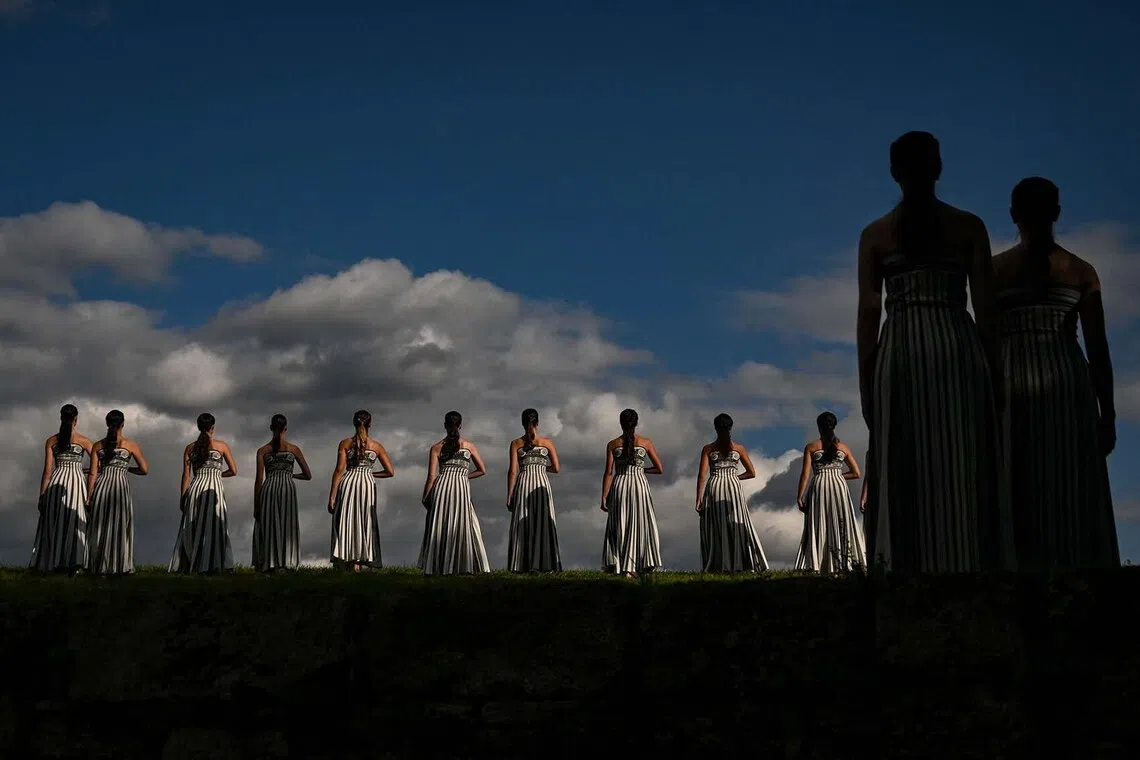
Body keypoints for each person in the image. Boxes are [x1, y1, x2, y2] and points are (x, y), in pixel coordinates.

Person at [856, 130, 1013, 573]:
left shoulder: (875, 235)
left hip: (901, 347)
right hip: (955, 344)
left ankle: (906, 566)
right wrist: (996, 376)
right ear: (939, 168)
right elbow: (986, 311)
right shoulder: (968, 227)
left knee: (904, 461)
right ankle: (966, 560)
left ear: (893, 173)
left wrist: (867, 385)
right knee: (962, 458)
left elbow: (869, 315)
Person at [992, 176, 1119, 569]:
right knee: (1070, 486)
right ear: (1057, 213)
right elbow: (1097, 348)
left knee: (1017, 485)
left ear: (1013, 214)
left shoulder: (994, 271)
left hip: (1011, 379)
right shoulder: (1081, 272)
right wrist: (1107, 413)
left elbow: (984, 338)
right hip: (1066, 379)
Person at [418, 411, 491, 575]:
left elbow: (431, 476)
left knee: (441, 523)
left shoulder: (436, 447)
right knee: (462, 523)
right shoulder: (469, 446)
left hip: (442, 485)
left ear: (445, 425)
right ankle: (464, 565)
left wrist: (426, 496)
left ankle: (439, 566)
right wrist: (464, 476)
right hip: (461, 486)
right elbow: (482, 470)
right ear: (460, 425)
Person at [793, 412, 866, 573]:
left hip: (819, 483)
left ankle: (818, 562)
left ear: (819, 427)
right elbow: (856, 473)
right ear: (834, 426)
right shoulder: (844, 448)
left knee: (819, 520)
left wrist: (800, 495)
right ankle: (844, 561)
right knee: (841, 520)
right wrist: (837, 475)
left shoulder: (811, 447)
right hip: (838, 485)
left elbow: (805, 474)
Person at [694, 413, 767, 573]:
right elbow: (751, 472)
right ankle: (739, 563)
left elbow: (702, 475)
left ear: (715, 428)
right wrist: (734, 477)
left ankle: (720, 564)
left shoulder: (708, 449)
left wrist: (698, 498)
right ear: (731, 427)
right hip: (733, 486)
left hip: (714, 485)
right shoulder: (738, 448)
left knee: (716, 523)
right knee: (736, 520)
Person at [169, 412, 237, 574]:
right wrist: (217, 473)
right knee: (215, 525)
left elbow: (186, 475)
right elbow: (233, 470)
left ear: (198, 427)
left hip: (196, 487)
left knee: (194, 524)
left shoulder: (190, 448)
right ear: (213, 428)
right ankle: (214, 563)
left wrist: (182, 496)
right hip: (214, 486)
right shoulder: (222, 446)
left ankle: (193, 562)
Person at [327, 410, 393, 572]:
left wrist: (332, 496)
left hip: (348, 481)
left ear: (354, 423)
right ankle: (360, 559)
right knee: (365, 519)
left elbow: (339, 470)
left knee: (347, 519)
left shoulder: (344, 444)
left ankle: (347, 558)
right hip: (366, 484)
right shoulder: (376, 446)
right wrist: (371, 473)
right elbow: (390, 471)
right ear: (370, 424)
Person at [600, 408, 664, 577]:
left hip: (620, 484)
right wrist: (642, 470)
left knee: (621, 522)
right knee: (640, 522)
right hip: (639, 484)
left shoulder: (613, 444)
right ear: (636, 423)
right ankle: (639, 565)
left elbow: (608, 472)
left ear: (620, 423)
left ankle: (620, 565)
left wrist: (604, 496)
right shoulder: (646, 443)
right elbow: (659, 468)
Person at [30, 403, 93, 573]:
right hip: (76, 481)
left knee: (55, 521)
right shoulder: (84, 441)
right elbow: (98, 466)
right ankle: (74, 562)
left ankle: (53, 562)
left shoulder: (51, 441)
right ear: (76, 420)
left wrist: (42, 495)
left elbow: (47, 472)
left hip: (56, 482)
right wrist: (83, 470)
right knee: (74, 519)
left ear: (61, 418)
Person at [86, 409, 148, 575]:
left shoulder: (97, 446)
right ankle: (119, 565)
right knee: (119, 525)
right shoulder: (130, 445)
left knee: (100, 526)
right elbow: (144, 469)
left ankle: (99, 566)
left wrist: (88, 496)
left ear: (107, 424)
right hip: (120, 487)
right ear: (122, 424)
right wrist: (126, 469)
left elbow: (93, 474)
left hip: (102, 486)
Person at [253, 414, 313, 572]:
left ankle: (269, 563)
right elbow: (308, 475)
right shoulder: (293, 449)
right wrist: (290, 474)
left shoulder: (262, 451)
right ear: (286, 428)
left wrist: (256, 505)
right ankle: (287, 563)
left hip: (269, 487)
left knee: (270, 524)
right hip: (287, 488)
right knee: (287, 524)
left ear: (271, 428)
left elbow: (259, 480)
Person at [505, 408, 562, 573]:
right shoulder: (547, 442)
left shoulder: (516, 443)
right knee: (542, 521)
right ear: (538, 423)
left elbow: (512, 471)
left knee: (524, 521)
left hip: (523, 482)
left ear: (522, 423)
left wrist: (509, 494)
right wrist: (542, 467)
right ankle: (544, 563)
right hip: (541, 483)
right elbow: (557, 468)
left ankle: (523, 564)